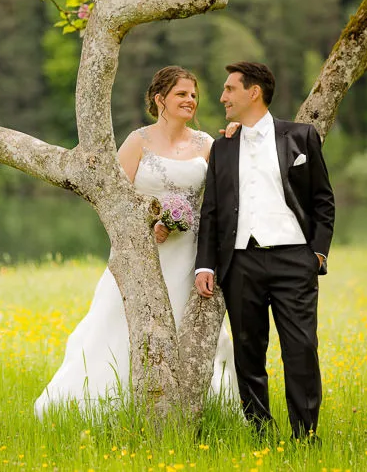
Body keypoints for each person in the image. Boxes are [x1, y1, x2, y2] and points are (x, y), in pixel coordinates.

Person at [35, 66, 238, 419]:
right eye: (181, 94)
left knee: (186, 327)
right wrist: (148, 224)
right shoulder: (138, 141)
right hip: (144, 250)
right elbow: (114, 199)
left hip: (189, 252)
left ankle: (193, 410)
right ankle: (111, 407)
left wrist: (236, 137)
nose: (190, 100)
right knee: (118, 323)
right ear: (160, 99)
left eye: (193, 95)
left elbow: (223, 194)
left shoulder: (207, 144)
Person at [194, 62, 335, 443]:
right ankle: (260, 432)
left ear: (253, 92)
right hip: (241, 263)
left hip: (294, 260)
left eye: (229, 89)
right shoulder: (222, 146)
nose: (222, 97)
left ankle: (305, 436)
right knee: (248, 352)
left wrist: (317, 255)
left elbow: (323, 201)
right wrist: (205, 264)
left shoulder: (302, 137)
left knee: (301, 349)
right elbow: (212, 212)